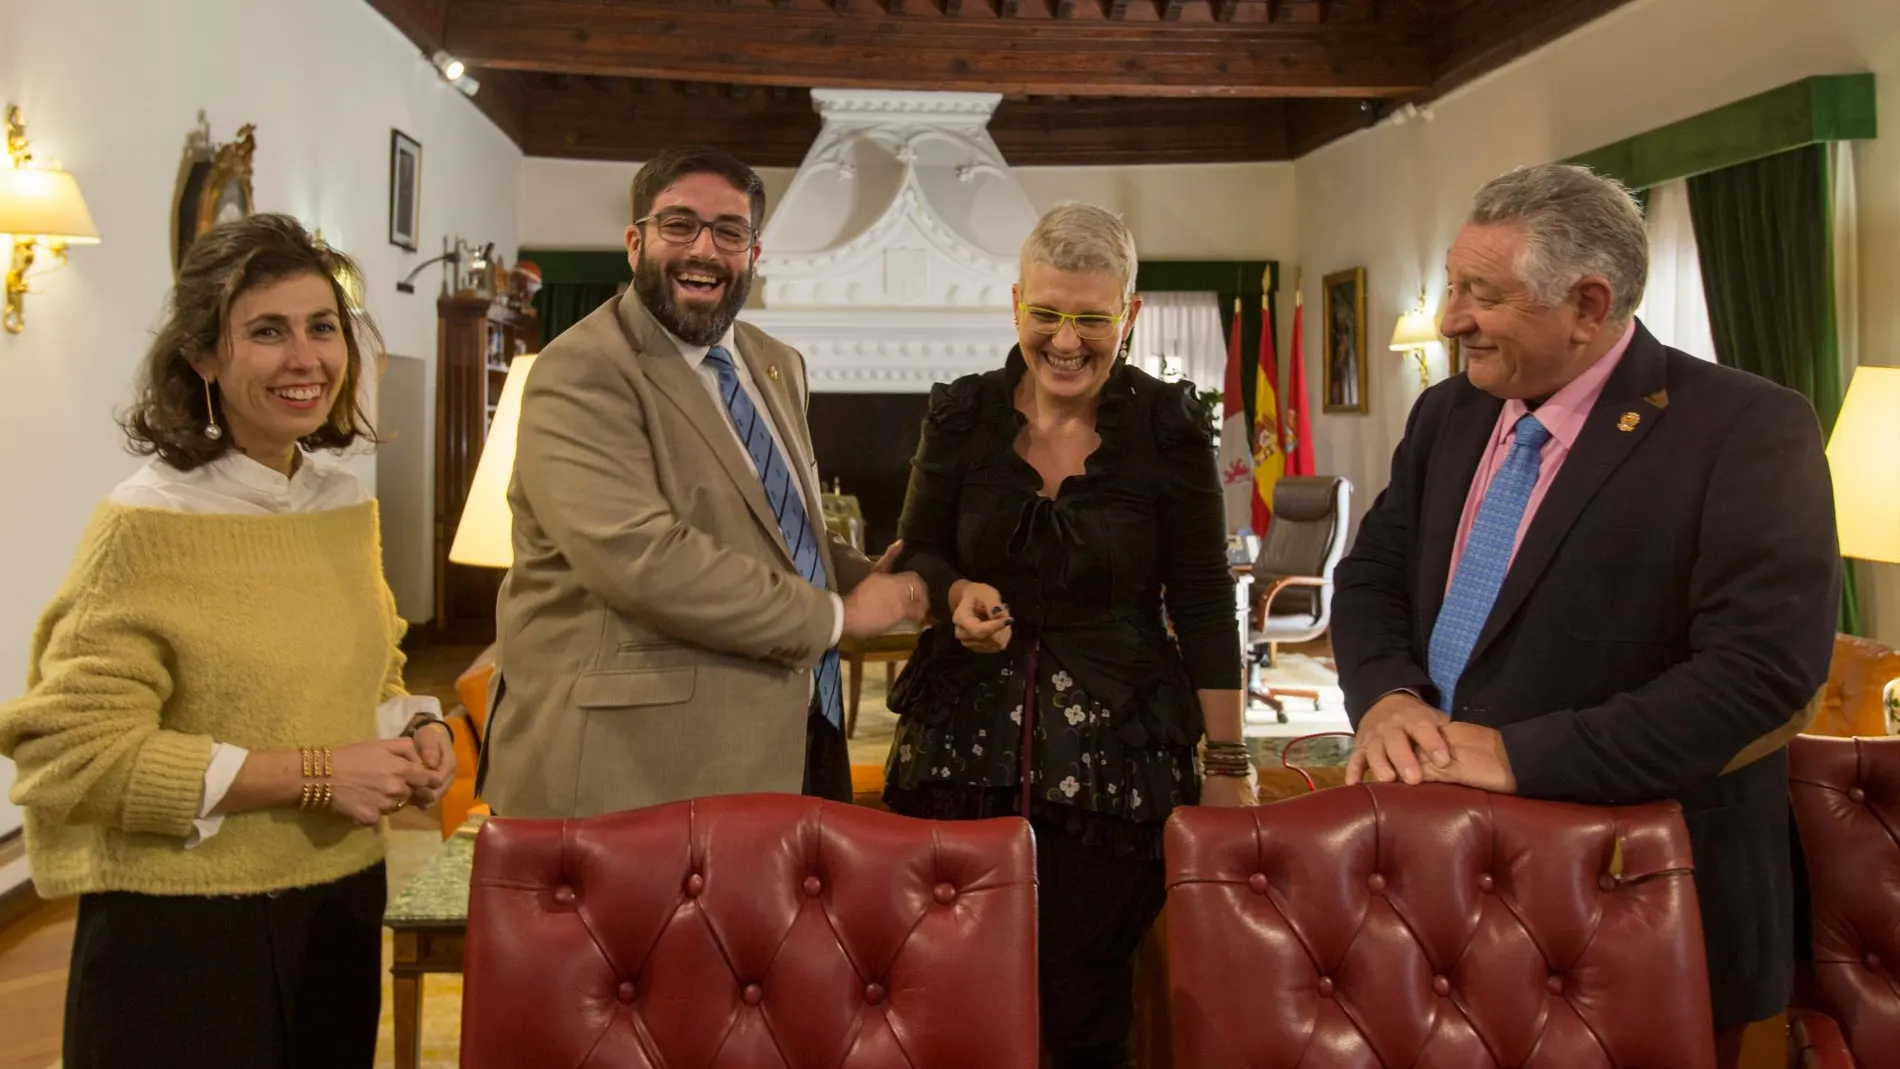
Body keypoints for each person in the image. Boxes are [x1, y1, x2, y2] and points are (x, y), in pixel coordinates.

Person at [1331, 163, 1838, 1068]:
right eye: (1454, 285)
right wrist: (1389, 698)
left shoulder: (1748, 429)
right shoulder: (1446, 412)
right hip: (1440, 881)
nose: (1451, 319)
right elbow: (1371, 575)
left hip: (1644, 893)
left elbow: (1760, 672)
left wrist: (1519, 753)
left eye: (1482, 295)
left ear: (1588, 303)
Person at [0, 214, 453, 1068]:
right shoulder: (146, 523)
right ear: (203, 357)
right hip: (186, 931)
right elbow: (73, 753)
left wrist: (413, 726)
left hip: (338, 899)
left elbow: (370, 659)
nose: (305, 358)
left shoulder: (341, 501)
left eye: (323, 328)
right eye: (267, 331)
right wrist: (319, 773)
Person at [885, 203, 1251, 1069]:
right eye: (1047, 313)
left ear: (1130, 313)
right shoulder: (962, 414)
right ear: (1016, 305)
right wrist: (957, 590)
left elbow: (1201, 595)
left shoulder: (1169, 426)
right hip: (957, 759)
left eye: (1091, 318)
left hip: (1117, 772)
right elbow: (921, 550)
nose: (1065, 340)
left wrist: (1230, 765)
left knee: (1084, 1004)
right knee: (951, 993)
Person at [478, 145, 925, 819]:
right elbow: (641, 557)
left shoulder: (775, 363)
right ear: (635, 242)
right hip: (632, 771)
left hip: (795, 735)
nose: (704, 250)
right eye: (679, 225)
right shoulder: (581, 370)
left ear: (754, 252)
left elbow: (775, 529)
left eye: (729, 232)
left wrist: (861, 575)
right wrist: (839, 615)